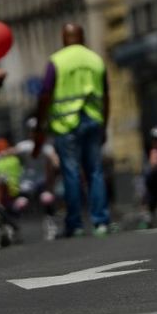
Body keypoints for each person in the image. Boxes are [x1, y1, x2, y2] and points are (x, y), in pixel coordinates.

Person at [32, 23, 111, 238]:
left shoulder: (57, 61)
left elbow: (45, 94)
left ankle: (75, 224)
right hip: (94, 121)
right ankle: (101, 221)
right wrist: (105, 124)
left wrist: (40, 125)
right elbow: (106, 95)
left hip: (66, 125)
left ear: (63, 38)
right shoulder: (96, 59)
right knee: (95, 171)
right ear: (83, 37)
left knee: (71, 172)